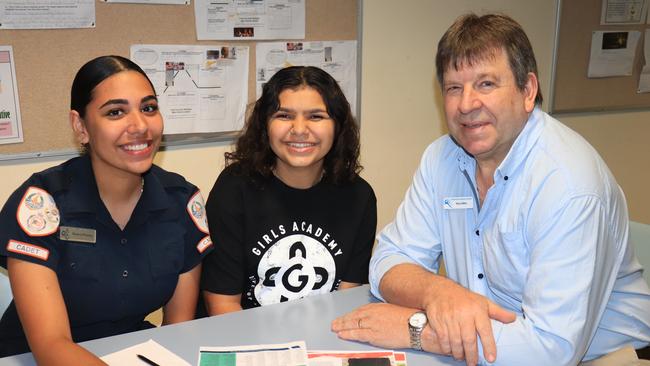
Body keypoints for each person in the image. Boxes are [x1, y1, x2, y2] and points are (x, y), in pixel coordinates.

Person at [332, 13, 650, 366]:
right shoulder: (442, 158)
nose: (467, 105)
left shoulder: (569, 185)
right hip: (487, 346)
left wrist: (417, 329)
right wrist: (439, 291)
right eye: (454, 88)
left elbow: (550, 349)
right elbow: (389, 260)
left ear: (527, 91)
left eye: (485, 84)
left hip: (602, 357)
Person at [0, 55, 213, 363]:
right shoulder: (41, 203)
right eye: (116, 112)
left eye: (149, 108)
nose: (139, 125)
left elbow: (178, 328)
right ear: (80, 126)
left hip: (131, 353)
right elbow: (51, 346)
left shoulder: (182, 200)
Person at [200, 66, 376, 314]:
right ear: (265, 125)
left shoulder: (359, 197)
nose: (300, 129)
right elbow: (222, 305)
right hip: (242, 338)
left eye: (316, 116)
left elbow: (346, 301)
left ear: (337, 126)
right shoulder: (234, 188)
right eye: (284, 115)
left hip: (323, 338)